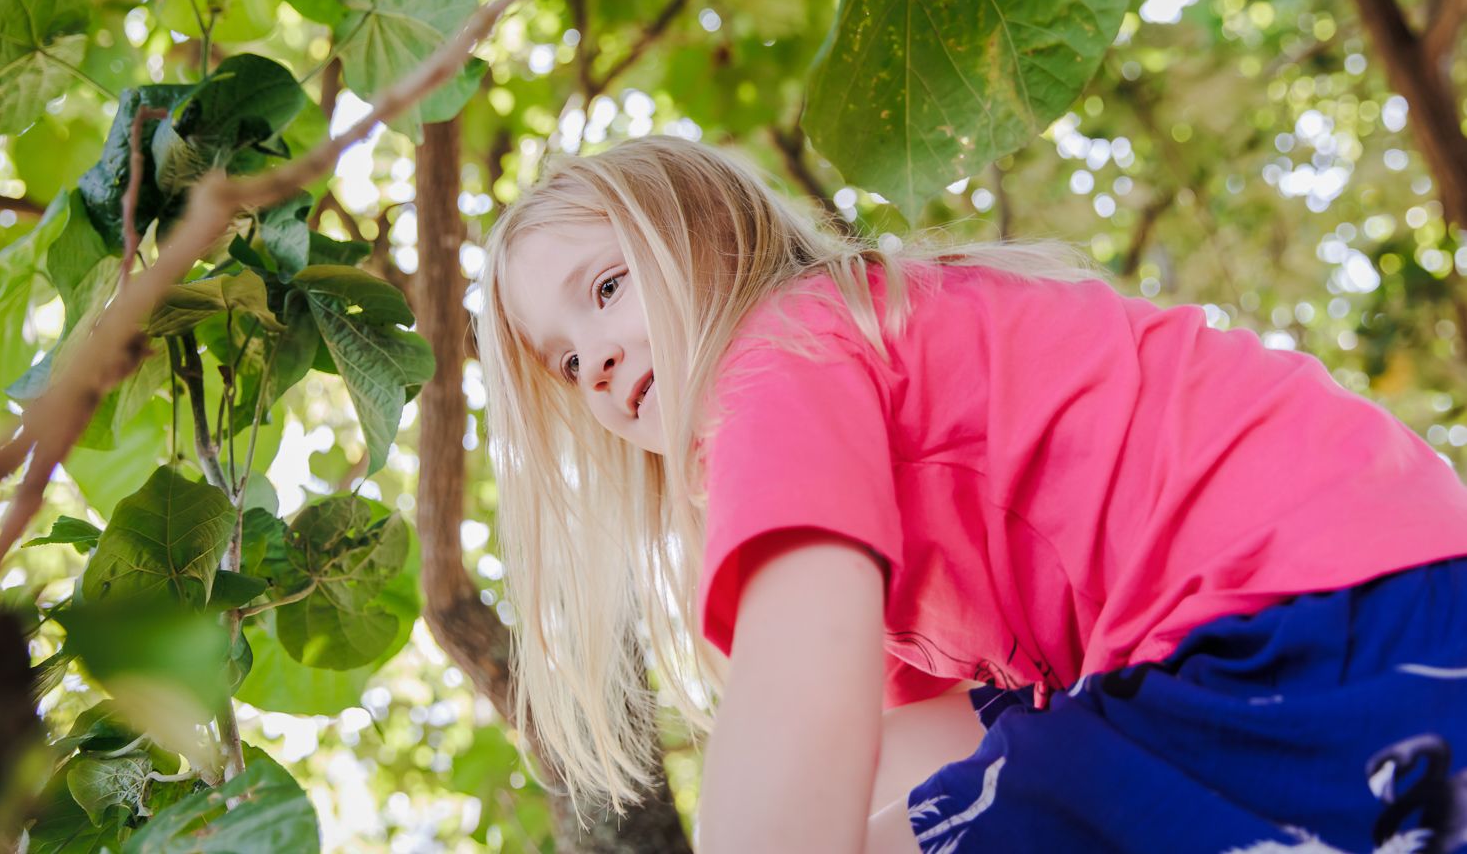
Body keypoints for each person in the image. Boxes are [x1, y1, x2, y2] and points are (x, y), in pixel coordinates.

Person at [475, 134, 1467, 853]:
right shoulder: (877, 393)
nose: (596, 360)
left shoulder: (781, 353)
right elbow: (906, 753)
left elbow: (798, 703)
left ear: (715, 239)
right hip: (1386, 596)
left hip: (1303, 618)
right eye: (565, 363)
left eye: (606, 289)